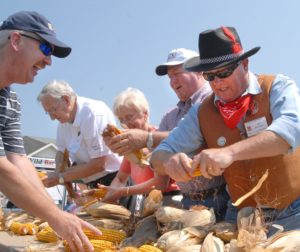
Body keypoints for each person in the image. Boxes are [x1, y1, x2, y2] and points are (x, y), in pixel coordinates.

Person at [151, 26, 300, 235]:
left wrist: (229, 153)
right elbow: (158, 154)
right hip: (239, 216)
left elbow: (289, 132)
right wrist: (168, 161)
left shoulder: (277, 86)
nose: (217, 83)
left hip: (292, 212)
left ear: (245, 64)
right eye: (210, 76)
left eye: (224, 72)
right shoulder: (202, 111)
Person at [0, 11, 100, 251]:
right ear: (16, 40)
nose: (49, 61)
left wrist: (56, 214)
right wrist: (55, 217)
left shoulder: (11, 100)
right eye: (45, 49)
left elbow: (19, 160)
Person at [104, 48, 229, 220]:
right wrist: (142, 155)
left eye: (177, 73)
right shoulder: (170, 117)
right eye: (170, 77)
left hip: (221, 197)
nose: (173, 81)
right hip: (187, 202)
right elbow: (158, 163)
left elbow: (204, 136)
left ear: (199, 71)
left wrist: (147, 140)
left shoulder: (216, 100)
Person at [100, 87, 181, 208]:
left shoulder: (157, 138)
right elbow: (120, 178)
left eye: (129, 117)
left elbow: (161, 184)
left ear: (145, 114)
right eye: (121, 119)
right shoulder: (131, 145)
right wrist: (109, 194)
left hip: (170, 201)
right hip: (148, 202)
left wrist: (122, 192)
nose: (125, 123)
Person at [37, 80, 122, 190]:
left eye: (53, 110)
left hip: (114, 180)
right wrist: (58, 171)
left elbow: (98, 165)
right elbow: (61, 153)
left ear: (66, 99)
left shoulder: (91, 113)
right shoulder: (63, 121)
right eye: (48, 112)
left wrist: (60, 178)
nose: (52, 118)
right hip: (90, 183)